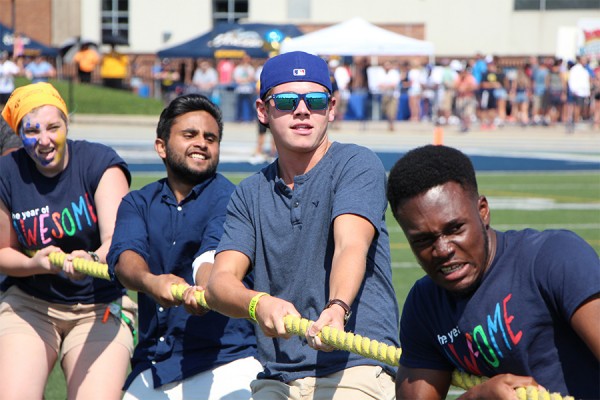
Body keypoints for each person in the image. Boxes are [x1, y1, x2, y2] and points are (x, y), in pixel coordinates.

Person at [205, 51, 399, 399]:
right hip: (278, 377)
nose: (302, 109)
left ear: (332, 108)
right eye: (286, 100)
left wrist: (337, 308)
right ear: (263, 111)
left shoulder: (357, 164)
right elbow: (219, 284)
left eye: (315, 100)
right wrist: (257, 303)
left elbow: (350, 244)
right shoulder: (249, 193)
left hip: (355, 365)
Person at [386, 144, 600, 400]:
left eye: (455, 229)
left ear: (483, 211)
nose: (442, 250)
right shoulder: (425, 304)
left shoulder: (554, 258)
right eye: (423, 240)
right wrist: (475, 398)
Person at [107, 93, 261, 399]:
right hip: (155, 362)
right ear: (161, 146)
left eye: (211, 137)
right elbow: (125, 259)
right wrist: (152, 282)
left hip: (226, 360)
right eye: (189, 135)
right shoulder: (137, 202)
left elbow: (212, 254)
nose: (202, 143)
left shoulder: (233, 198)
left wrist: (207, 290)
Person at [0, 82, 135, 399]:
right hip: (29, 304)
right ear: (20, 134)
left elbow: (117, 239)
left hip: (99, 305)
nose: (43, 140)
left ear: (66, 123)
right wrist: (34, 264)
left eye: (52, 127)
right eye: (31, 131)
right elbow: (2, 251)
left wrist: (94, 260)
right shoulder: (6, 172)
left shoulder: (99, 162)